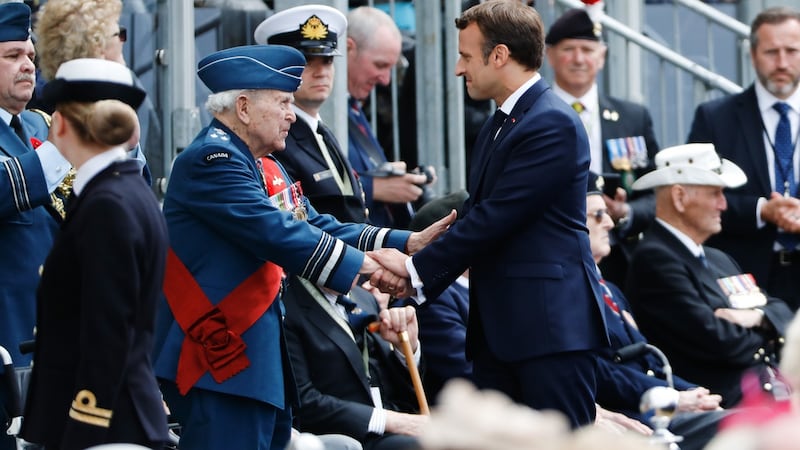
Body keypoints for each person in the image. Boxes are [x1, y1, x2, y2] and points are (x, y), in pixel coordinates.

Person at [152, 44, 450, 450]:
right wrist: (369, 268)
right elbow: (277, 232)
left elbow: (316, 223)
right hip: (218, 358)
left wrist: (405, 242)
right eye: (283, 102)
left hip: (253, 361)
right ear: (243, 107)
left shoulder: (261, 164)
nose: (292, 114)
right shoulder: (212, 159)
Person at [369, 0, 609, 428]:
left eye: (465, 56)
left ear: (499, 55)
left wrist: (413, 271)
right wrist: (413, 251)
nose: (460, 69)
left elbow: (496, 218)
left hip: (548, 334)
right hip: (507, 333)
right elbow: (481, 214)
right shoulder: (506, 121)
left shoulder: (549, 123)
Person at [19, 58, 169, 450]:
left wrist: (84, 426)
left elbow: (108, 333)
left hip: (105, 426)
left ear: (62, 123)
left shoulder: (107, 205)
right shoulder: (126, 192)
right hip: (114, 420)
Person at [625, 143, 794, 408]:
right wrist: (770, 331)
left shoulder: (718, 259)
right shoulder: (655, 259)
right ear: (679, 197)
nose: (724, 205)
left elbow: (781, 310)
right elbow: (721, 342)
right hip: (721, 405)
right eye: (715, 194)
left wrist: (758, 317)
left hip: (764, 389)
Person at [585, 174, 728, 450]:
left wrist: (691, 393)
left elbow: (646, 358)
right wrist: (670, 395)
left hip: (658, 407)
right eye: (598, 215)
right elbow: (598, 369)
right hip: (632, 417)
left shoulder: (610, 289)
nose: (610, 223)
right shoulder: (573, 294)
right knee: (743, 427)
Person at [687, 6, 800, 312]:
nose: (782, 62)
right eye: (771, 52)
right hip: (743, 278)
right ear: (752, 55)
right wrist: (763, 210)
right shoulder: (715, 118)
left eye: (792, 51)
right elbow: (695, 199)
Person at [545, 7, 659, 287]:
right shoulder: (532, 115)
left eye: (587, 49)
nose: (578, 58)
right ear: (549, 55)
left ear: (602, 56)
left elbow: (657, 191)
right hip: (553, 251)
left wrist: (627, 212)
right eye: (568, 49)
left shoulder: (633, 117)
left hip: (623, 255)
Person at [254, 4, 367, 223]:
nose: (321, 72)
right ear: (281, 71)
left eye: (327, 61)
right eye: (307, 63)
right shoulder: (279, 137)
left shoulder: (319, 131)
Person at [283, 279, 425, 450]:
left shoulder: (365, 297)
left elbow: (404, 389)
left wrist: (405, 349)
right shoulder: (287, 304)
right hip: (348, 436)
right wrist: (391, 421)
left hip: (401, 422)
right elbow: (303, 401)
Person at [34, 0, 153, 184]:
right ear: (97, 45)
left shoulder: (64, 94)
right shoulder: (53, 106)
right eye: (118, 33)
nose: (123, 40)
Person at [346, 6, 435, 229]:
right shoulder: (329, 112)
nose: (385, 80)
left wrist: (391, 176)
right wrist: (373, 187)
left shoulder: (351, 107)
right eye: (379, 65)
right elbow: (312, 185)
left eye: (390, 68)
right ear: (348, 49)